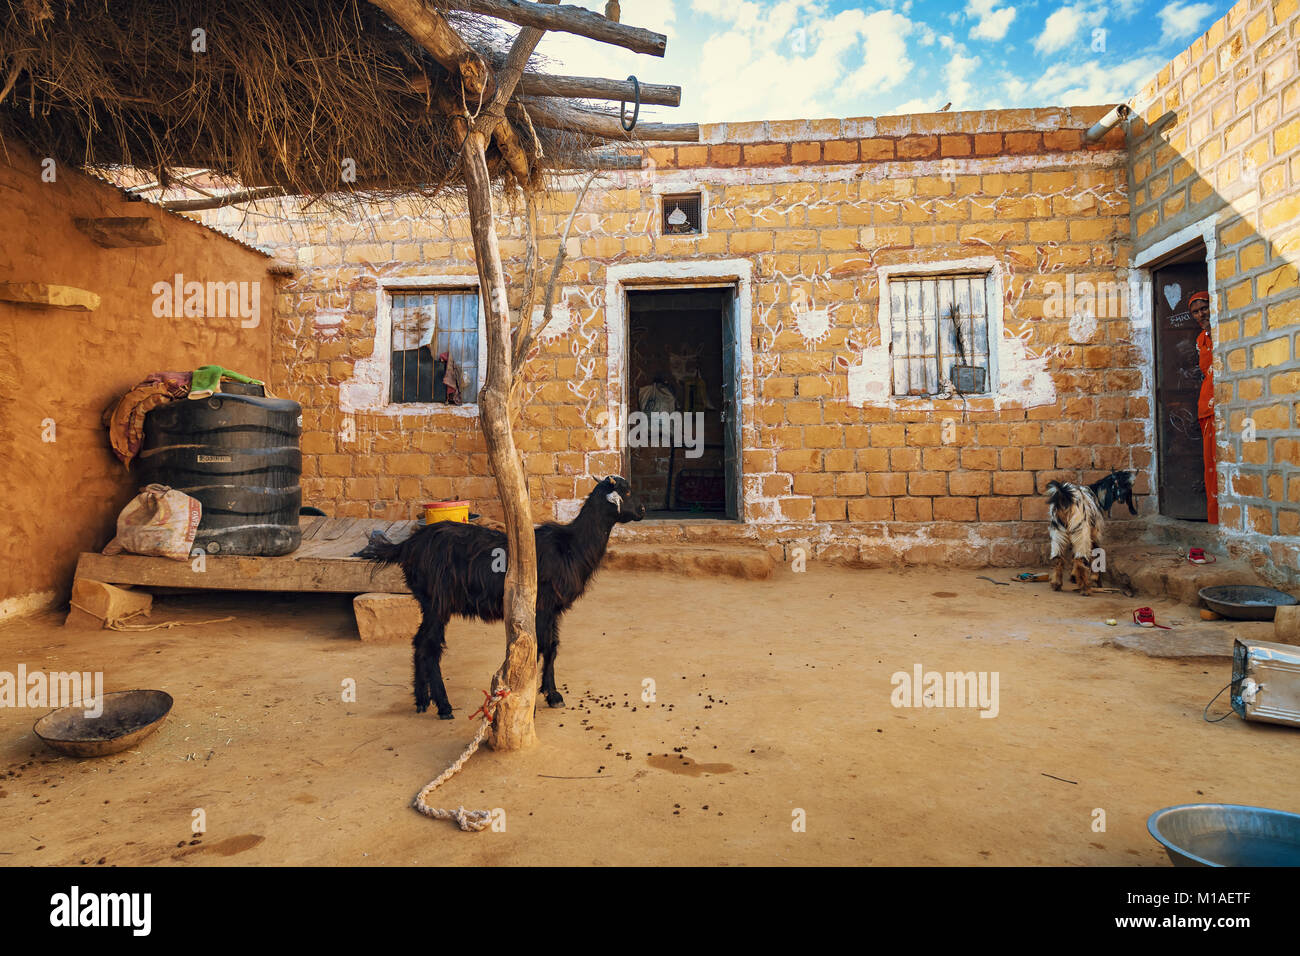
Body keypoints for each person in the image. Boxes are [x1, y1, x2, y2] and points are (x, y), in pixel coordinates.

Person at [1190, 291, 1217, 524]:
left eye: (1204, 308)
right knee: (1211, 464)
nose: (1201, 314)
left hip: (1219, 403)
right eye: (1196, 312)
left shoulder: (1220, 331)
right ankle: (1215, 517)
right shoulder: (1201, 339)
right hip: (1206, 406)